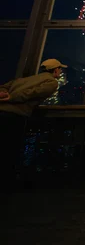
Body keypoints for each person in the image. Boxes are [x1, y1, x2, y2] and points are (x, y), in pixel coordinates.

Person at [0, 59, 66, 190]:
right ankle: (6, 183)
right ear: (55, 70)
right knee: (9, 150)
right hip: (14, 116)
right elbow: (33, 93)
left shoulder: (24, 79)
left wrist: (4, 94)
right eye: (60, 69)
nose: (61, 71)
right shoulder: (51, 82)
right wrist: (12, 97)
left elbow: (4, 86)